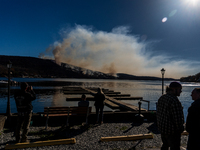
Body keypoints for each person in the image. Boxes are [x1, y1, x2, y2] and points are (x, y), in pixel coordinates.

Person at [157, 81, 184, 150]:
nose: (181, 91)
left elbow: (159, 112)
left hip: (162, 128)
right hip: (172, 132)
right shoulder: (174, 100)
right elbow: (177, 119)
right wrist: (181, 128)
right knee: (175, 147)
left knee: (165, 146)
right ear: (174, 89)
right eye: (179, 89)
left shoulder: (162, 97)